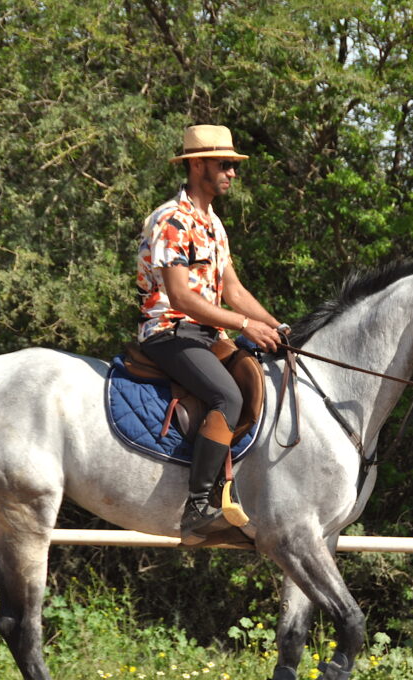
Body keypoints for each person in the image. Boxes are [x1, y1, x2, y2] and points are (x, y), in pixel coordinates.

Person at [136, 124, 284, 544]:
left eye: (233, 166)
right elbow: (180, 296)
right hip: (169, 331)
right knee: (228, 397)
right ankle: (198, 506)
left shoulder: (213, 224)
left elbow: (233, 291)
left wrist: (277, 327)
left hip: (207, 336)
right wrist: (245, 325)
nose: (232, 173)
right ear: (198, 165)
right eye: (224, 164)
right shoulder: (171, 220)